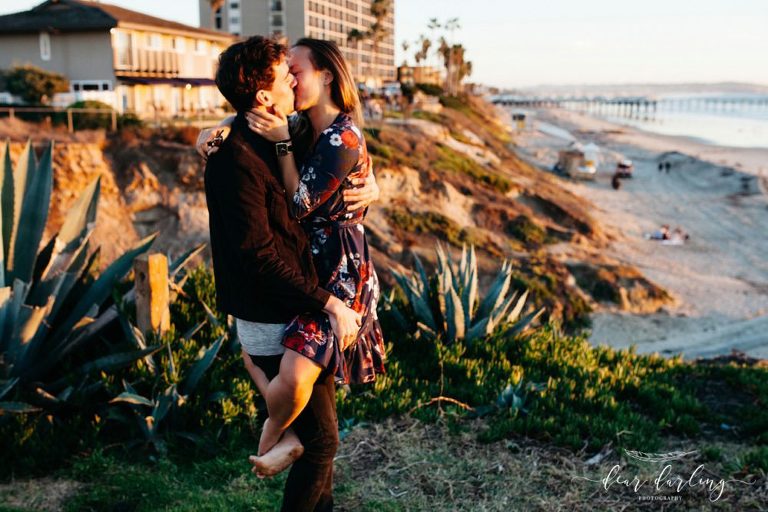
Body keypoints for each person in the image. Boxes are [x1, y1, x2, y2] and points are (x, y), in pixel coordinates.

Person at [203, 35, 378, 511]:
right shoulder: (273, 137)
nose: (293, 79)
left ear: (326, 75)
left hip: (322, 280)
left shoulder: (302, 133)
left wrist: (373, 181)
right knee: (321, 442)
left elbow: (314, 187)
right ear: (264, 95)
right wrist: (217, 128)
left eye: (296, 71)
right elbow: (263, 244)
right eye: (287, 73)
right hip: (293, 297)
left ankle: (276, 440)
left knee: (319, 440)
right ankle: (275, 441)